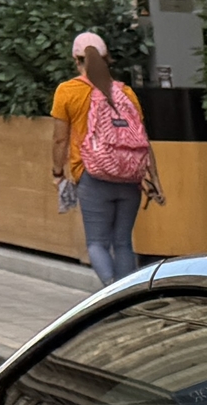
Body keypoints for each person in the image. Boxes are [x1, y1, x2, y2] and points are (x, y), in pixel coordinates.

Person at [50, 34, 160, 284]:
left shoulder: (68, 91)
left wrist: (57, 172)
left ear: (76, 60)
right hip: (130, 177)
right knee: (123, 242)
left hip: (92, 176)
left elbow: (60, 140)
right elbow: (143, 138)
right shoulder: (126, 92)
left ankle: (110, 294)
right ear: (106, 59)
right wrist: (153, 177)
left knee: (97, 243)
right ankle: (127, 297)